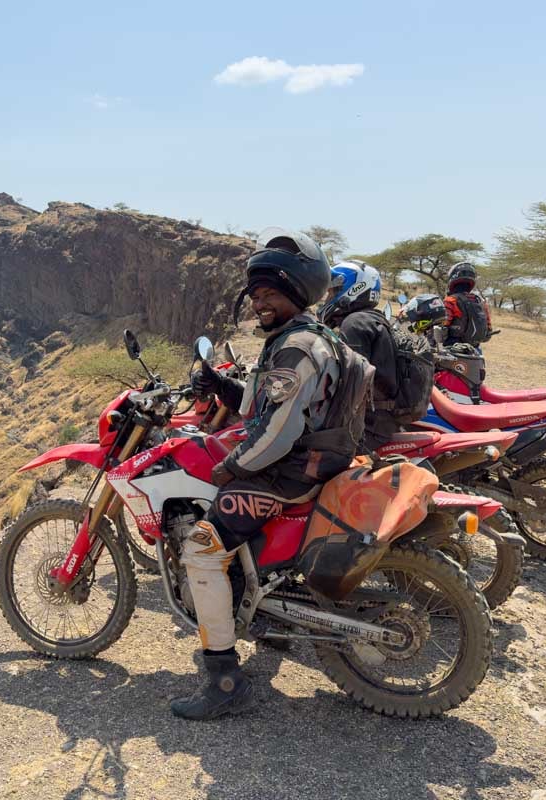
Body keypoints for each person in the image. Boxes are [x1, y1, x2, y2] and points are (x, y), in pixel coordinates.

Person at [174, 228, 371, 721]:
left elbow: (278, 433)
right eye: (255, 293)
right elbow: (262, 404)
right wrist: (221, 383)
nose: (258, 301)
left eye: (269, 293)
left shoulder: (296, 348)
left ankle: (223, 678)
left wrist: (231, 467)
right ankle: (265, 614)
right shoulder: (302, 338)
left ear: (296, 292)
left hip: (286, 475)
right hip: (308, 463)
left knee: (199, 548)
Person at [319, 261, 399, 450]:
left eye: (333, 291)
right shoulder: (372, 318)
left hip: (367, 427)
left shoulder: (354, 324)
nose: (328, 297)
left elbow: (349, 386)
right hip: (381, 420)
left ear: (354, 288)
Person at [443, 262, 493, 347]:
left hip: (453, 347)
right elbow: (489, 328)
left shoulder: (451, 300)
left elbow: (444, 324)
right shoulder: (480, 301)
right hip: (474, 348)